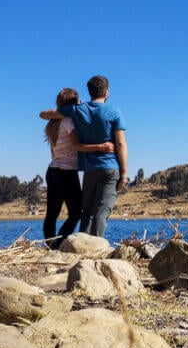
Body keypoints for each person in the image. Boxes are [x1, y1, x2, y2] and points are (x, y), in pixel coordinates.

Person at [40, 75, 128, 237]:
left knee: (66, 212)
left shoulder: (64, 118)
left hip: (68, 170)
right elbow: (119, 144)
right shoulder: (74, 120)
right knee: (88, 212)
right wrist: (122, 172)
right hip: (88, 170)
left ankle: (59, 244)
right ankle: (81, 245)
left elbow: (44, 114)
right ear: (107, 92)